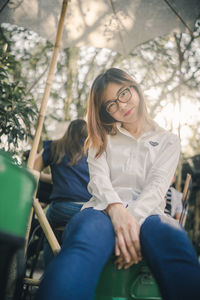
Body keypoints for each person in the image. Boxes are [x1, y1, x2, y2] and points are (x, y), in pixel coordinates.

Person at [36, 68, 200, 300]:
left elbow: (156, 187)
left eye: (123, 93)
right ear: (105, 112)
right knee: (86, 239)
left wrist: (129, 221)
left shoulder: (168, 141)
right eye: (111, 104)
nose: (122, 106)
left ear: (133, 86)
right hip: (100, 210)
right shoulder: (101, 137)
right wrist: (117, 211)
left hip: (149, 214)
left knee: (172, 238)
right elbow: (99, 181)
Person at [33, 119, 91, 266]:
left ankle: (50, 272)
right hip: (89, 210)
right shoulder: (93, 151)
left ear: (68, 130)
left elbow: (33, 170)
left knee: (48, 231)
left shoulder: (55, 146)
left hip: (62, 209)